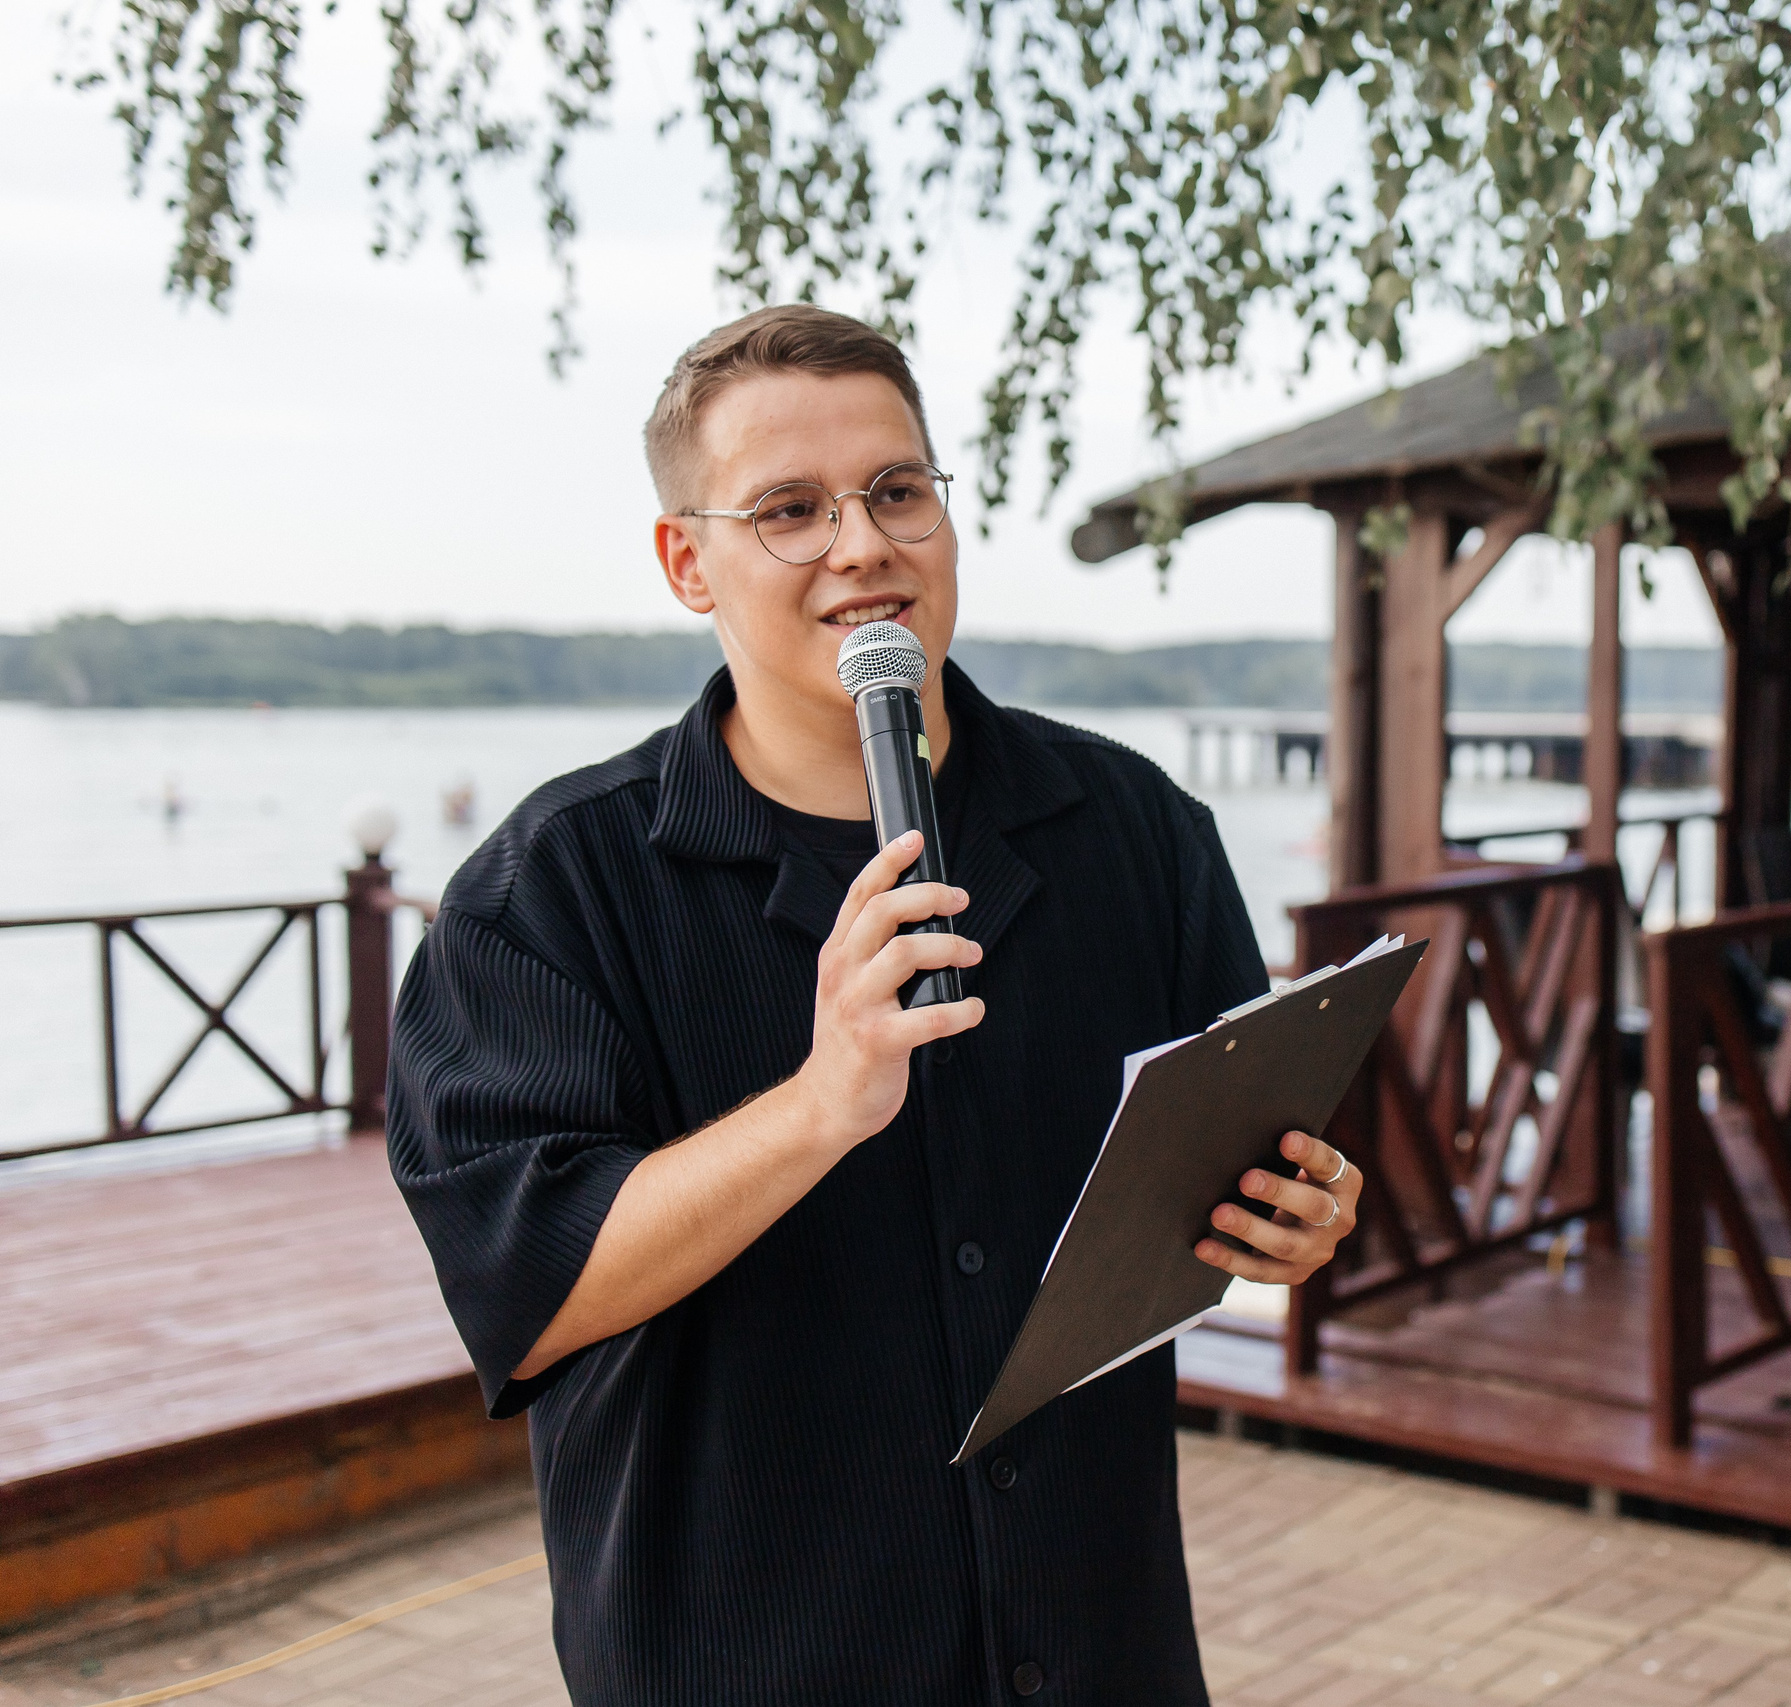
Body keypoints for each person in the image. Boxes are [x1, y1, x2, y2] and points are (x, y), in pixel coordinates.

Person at [386, 305, 1365, 1706]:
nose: (863, 546)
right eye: (790, 509)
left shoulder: (1134, 828)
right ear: (687, 561)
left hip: (1102, 1650)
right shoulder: (546, 894)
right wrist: (817, 1105)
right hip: (751, 1660)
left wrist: (1299, 1218)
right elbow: (526, 1293)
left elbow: (1236, 1156)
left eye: (898, 492)